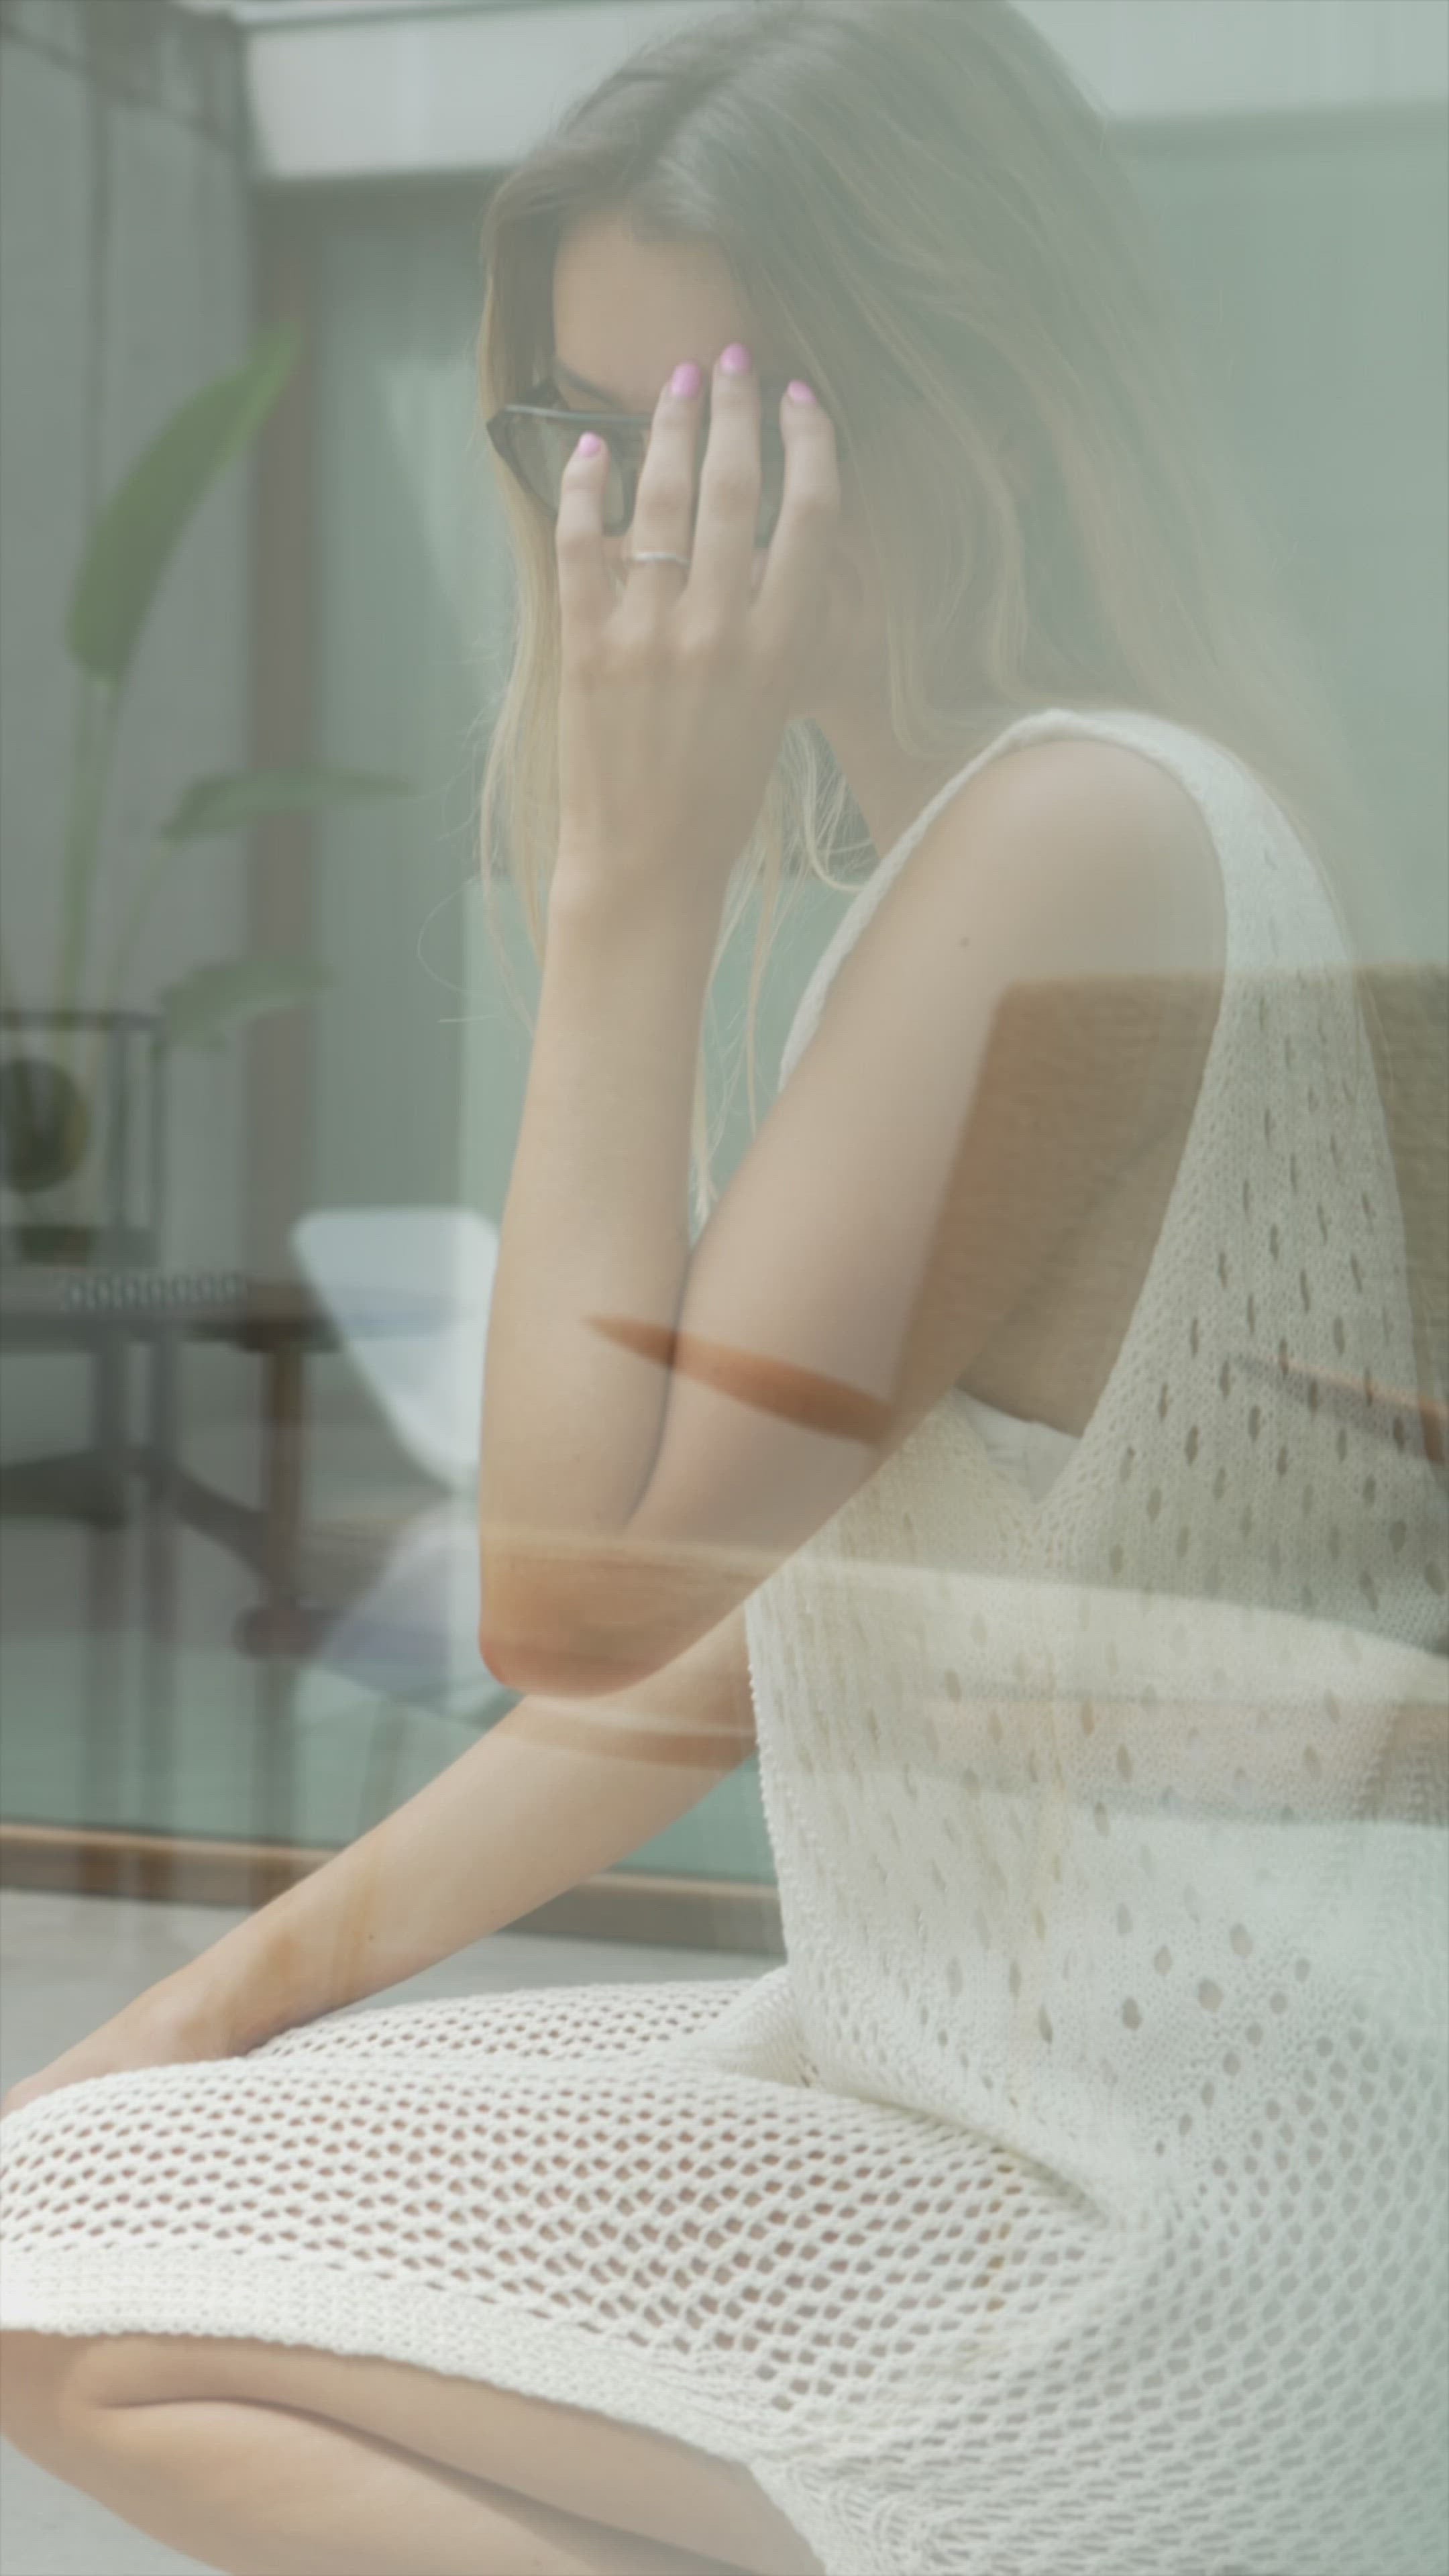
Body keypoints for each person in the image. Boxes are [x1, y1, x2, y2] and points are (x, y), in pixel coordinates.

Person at [2, 4, 1445, 2571]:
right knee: (61, 2235)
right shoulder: (1009, 837)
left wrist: (625, 887)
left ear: (956, 404)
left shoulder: (1072, 828)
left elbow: (575, 1595)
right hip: (1005, 2113)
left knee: (46, 2287)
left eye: (721, 435)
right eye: (587, 436)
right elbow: (696, 1659)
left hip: (1153, 2237)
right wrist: (205, 2012)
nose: (636, 528)